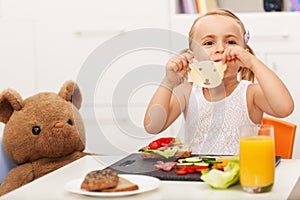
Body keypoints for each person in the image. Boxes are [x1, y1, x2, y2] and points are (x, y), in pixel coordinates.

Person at [143, 9, 294, 155]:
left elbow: (284, 108)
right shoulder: (187, 92)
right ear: (193, 56)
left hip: (241, 177)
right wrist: (169, 82)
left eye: (231, 42)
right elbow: (153, 126)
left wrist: (253, 63)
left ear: (244, 53)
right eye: (209, 43)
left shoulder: (250, 94)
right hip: (197, 178)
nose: (221, 49)